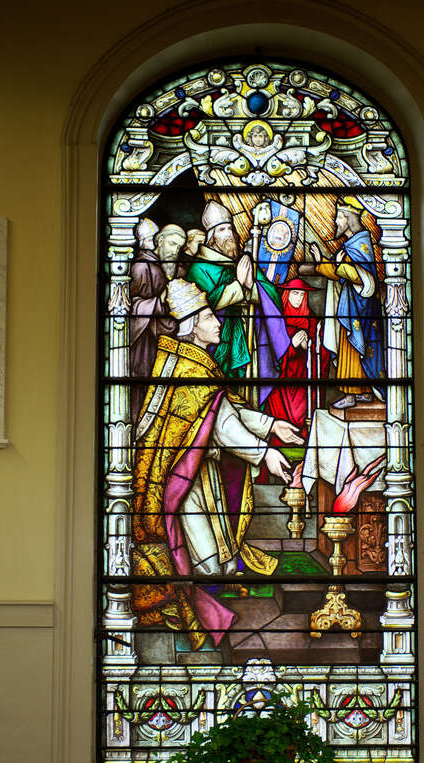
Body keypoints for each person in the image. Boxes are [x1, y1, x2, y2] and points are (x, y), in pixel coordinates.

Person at [132, 279, 303, 650]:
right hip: (180, 479)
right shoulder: (188, 370)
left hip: (198, 471)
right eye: (210, 316)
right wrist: (265, 454)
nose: (218, 322)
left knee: (223, 566)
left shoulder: (196, 363)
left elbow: (228, 411)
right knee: (209, 569)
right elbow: (224, 427)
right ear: (193, 323)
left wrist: (272, 425)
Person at [185, 201, 289, 405]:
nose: (229, 234)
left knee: (252, 393)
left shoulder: (242, 261)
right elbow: (204, 304)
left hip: (253, 343)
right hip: (221, 343)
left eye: (230, 228)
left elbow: (273, 296)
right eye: (222, 229)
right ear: (211, 236)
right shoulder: (199, 269)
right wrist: (238, 285)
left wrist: (253, 286)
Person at [309, 196, 385, 409]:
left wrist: (339, 266)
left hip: (359, 309)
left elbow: (364, 278)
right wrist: (322, 264)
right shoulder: (352, 244)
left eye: (339, 218)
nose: (336, 222)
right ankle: (361, 392)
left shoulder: (360, 245)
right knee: (350, 345)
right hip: (352, 307)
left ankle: (354, 394)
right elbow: (342, 273)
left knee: (353, 346)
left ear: (349, 219)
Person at [129, 222, 186, 421]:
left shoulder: (168, 270)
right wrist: (158, 303)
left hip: (160, 342)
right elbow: (129, 307)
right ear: (158, 240)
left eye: (179, 247)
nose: (174, 251)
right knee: (141, 392)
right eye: (171, 244)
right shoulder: (141, 266)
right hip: (142, 345)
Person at [265, 276, 330, 438]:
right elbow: (268, 353)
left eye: (302, 295)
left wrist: (310, 347)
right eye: (295, 293)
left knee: (301, 413)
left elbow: (323, 352)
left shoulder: (313, 321)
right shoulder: (276, 320)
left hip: (303, 377)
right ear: (286, 294)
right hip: (281, 380)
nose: (298, 298)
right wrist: (290, 346)